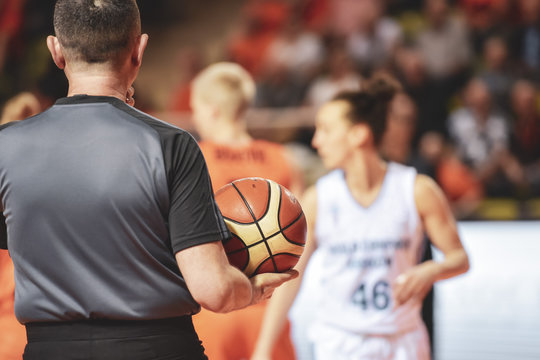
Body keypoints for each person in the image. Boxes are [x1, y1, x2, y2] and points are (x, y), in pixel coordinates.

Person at [0, 1, 296, 359]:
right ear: (138, 51)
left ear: (56, 51)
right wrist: (251, 290)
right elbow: (213, 289)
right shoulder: (171, 146)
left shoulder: (7, 146)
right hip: (159, 347)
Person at [252, 74, 470, 360]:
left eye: (326, 130)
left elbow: (460, 259)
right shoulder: (319, 199)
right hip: (341, 342)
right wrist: (263, 349)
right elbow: (292, 278)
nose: (316, 141)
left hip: (403, 341)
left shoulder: (416, 189)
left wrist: (430, 270)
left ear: (359, 134)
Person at [189, 61, 303, 360]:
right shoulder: (285, 159)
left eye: (195, 108)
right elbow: (300, 260)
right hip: (269, 316)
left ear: (212, 109)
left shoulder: (193, 159)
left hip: (212, 315)